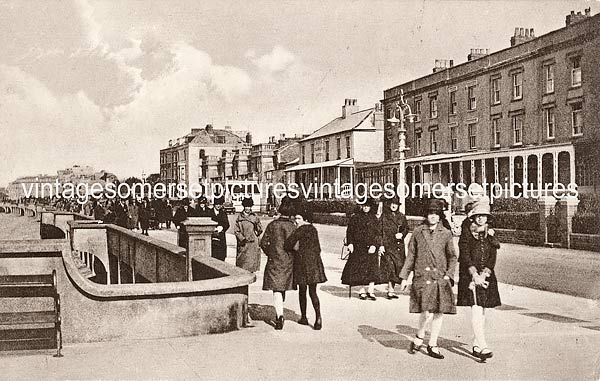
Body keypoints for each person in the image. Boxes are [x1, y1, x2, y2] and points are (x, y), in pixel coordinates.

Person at [400, 198, 457, 360]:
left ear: (440, 216)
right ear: (426, 215)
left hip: (440, 278)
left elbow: (452, 257)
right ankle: (419, 335)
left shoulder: (446, 233)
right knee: (425, 312)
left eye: (436, 214)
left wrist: (449, 275)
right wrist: (405, 277)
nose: (433, 216)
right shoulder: (418, 232)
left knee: (439, 312)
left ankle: (433, 344)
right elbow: (411, 255)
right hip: (422, 276)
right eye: (430, 213)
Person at [457, 198, 501, 360]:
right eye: (478, 215)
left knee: (483, 311)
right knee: (476, 309)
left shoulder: (490, 234)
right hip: (470, 278)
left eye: (484, 216)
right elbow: (465, 255)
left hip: (486, 277)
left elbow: (492, 256)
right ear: (473, 217)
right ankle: (483, 345)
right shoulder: (467, 233)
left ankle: (476, 343)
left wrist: (485, 274)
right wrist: (475, 275)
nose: (481, 218)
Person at [284, 202, 326, 330]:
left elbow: (288, 244)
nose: (296, 221)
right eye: (295, 218)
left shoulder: (300, 230)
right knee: (313, 292)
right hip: (314, 265)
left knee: (303, 291)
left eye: (298, 218)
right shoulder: (313, 229)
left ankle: (304, 317)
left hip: (302, 264)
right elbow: (318, 248)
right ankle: (318, 318)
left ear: (304, 219)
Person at [260, 196, 297, 330]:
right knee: (283, 287)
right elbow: (297, 246)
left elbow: (263, 242)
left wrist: (270, 253)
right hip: (288, 262)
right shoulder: (293, 226)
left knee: (276, 288)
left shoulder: (272, 225)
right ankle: (280, 311)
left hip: (274, 260)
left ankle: (279, 315)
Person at [341, 198, 383, 300]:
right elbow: (349, 232)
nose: (366, 208)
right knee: (360, 270)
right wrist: (350, 243)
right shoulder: (355, 218)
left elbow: (378, 234)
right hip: (359, 248)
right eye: (364, 206)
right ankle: (362, 291)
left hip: (371, 248)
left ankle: (371, 291)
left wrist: (375, 245)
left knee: (372, 270)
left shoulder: (374, 219)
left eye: (367, 206)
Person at [234, 197, 263, 327]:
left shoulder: (255, 217)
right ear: (243, 206)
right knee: (242, 271)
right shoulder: (239, 218)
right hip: (243, 246)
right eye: (246, 206)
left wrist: (257, 231)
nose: (248, 208)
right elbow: (236, 231)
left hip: (252, 246)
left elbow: (260, 229)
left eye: (250, 206)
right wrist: (242, 238)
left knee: (250, 271)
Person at [379, 196, 409, 299]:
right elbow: (380, 232)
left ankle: (392, 289)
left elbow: (406, 229)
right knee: (390, 267)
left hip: (398, 246)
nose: (393, 206)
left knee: (397, 267)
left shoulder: (401, 216)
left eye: (395, 204)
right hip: (388, 245)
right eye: (392, 204)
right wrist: (381, 245)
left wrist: (402, 234)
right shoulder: (384, 216)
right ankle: (390, 290)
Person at [211, 195, 230, 261]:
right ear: (214, 204)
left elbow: (227, 224)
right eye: (217, 204)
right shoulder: (209, 212)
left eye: (220, 204)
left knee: (221, 257)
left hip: (221, 238)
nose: (218, 206)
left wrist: (222, 228)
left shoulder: (223, 213)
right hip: (211, 238)